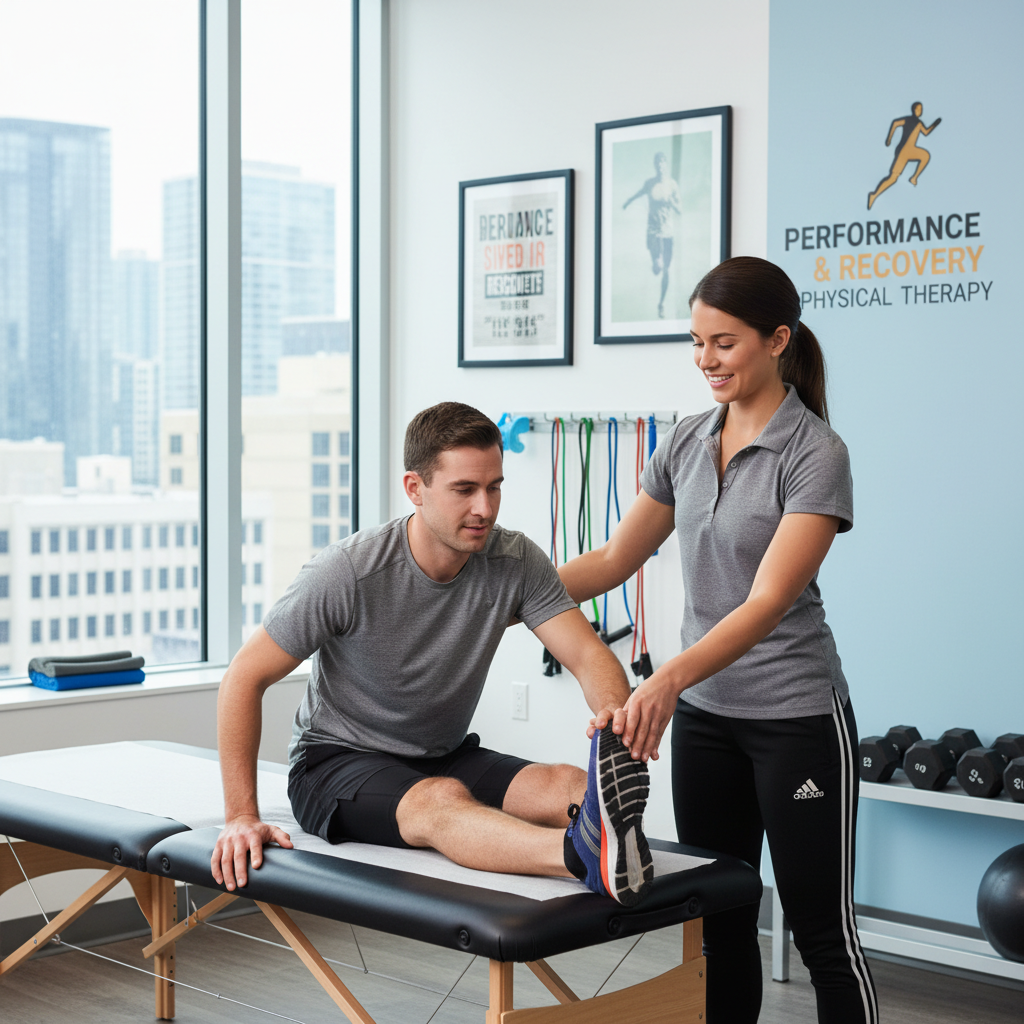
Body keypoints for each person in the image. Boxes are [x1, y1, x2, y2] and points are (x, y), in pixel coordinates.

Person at [558, 258, 879, 1024]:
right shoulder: (686, 440)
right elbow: (612, 560)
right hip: (706, 723)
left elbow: (768, 601)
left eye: (724, 343)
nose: (705, 360)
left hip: (795, 720)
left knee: (821, 933)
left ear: (777, 340)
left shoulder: (815, 454)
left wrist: (664, 679)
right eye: (696, 342)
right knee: (717, 927)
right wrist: (503, 595)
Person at [211, 401, 653, 908]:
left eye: (494, 487)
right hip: (337, 763)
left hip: (441, 755)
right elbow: (243, 678)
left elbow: (587, 655)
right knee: (441, 801)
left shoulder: (514, 561)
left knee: (568, 785)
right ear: (415, 489)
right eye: (464, 490)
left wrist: (615, 717)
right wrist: (241, 815)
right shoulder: (348, 573)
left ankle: (611, 842)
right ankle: (580, 855)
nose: (484, 508)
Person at [623, 151, 682, 318]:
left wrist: (671, 202)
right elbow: (639, 193)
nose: (660, 166)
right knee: (658, 266)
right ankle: (655, 261)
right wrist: (628, 202)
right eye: (657, 163)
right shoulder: (649, 183)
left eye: (663, 163)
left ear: (666, 165)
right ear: (655, 165)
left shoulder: (672, 185)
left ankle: (661, 303)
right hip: (653, 231)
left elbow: (680, 209)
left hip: (668, 232)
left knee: (666, 271)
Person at [867, 101, 942, 210]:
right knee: (893, 178)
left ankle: (914, 178)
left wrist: (935, 124)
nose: (920, 111)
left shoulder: (919, 123)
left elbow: (925, 132)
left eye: (921, 109)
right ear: (914, 110)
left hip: (911, 150)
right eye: (918, 109)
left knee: (925, 156)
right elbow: (895, 123)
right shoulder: (908, 120)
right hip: (903, 151)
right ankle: (874, 195)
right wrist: (889, 139)